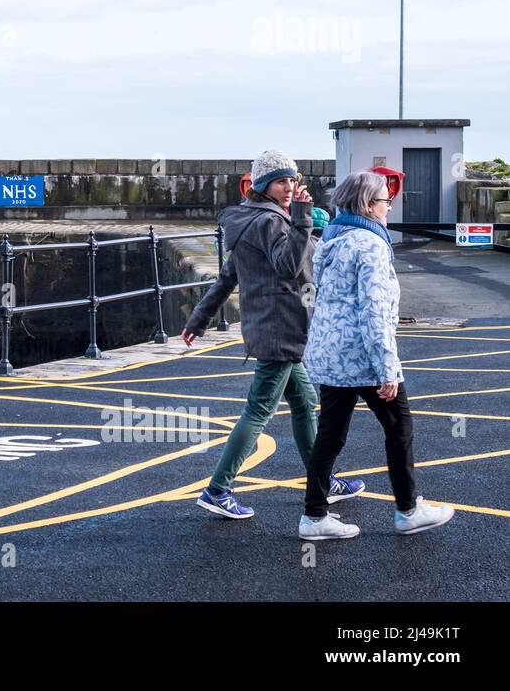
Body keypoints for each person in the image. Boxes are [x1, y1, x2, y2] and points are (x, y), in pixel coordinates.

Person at [182, 149, 364, 519]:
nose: (289, 187)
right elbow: (288, 267)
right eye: (282, 181)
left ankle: (323, 479)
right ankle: (218, 489)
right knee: (259, 411)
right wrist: (300, 219)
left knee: (303, 402)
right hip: (280, 329)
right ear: (264, 184)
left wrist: (197, 319)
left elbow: (228, 276)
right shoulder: (270, 222)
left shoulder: (249, 219)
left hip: (274, 328)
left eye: (293, 180)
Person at [297, 171, 454, 539]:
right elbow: (374, 308)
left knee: (330, 436)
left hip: (333, 355)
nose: (389, 206)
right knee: (399, 428)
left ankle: (314, 517)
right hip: (363, 356)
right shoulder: (370, 244)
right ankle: (408, 510)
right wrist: (387, 369)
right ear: (369, 205)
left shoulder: (332, 239)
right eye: (385, 200)